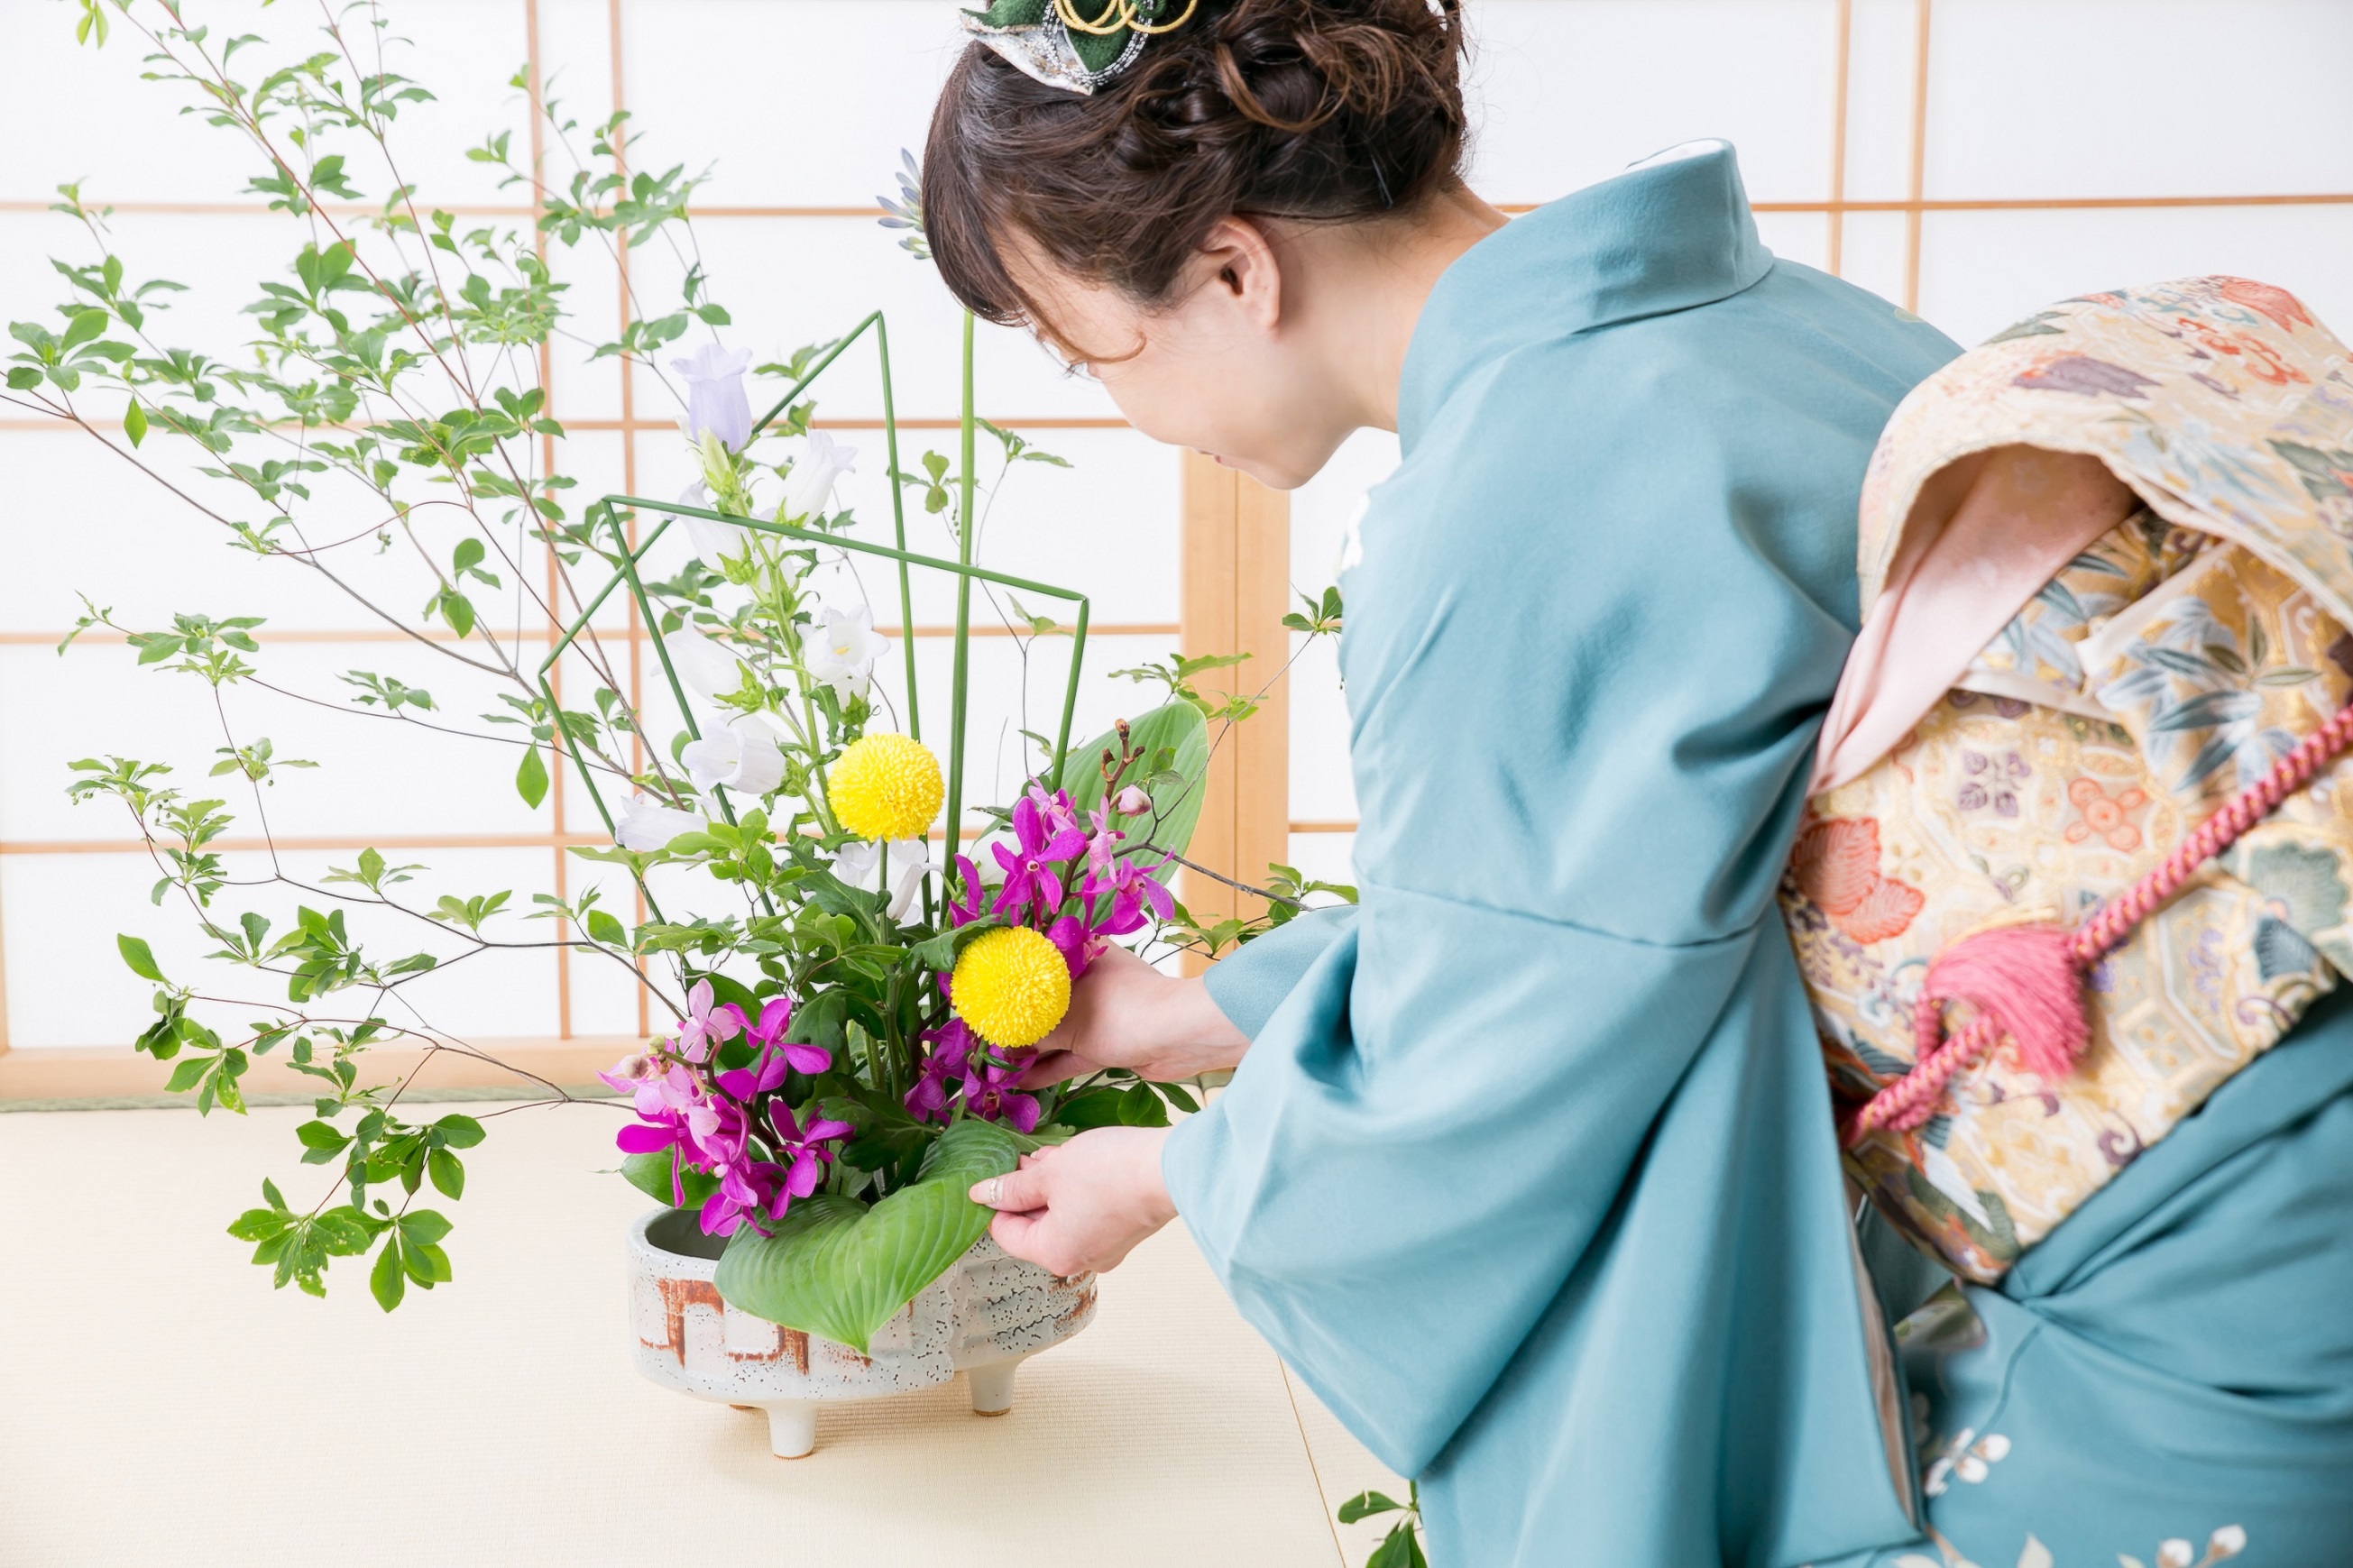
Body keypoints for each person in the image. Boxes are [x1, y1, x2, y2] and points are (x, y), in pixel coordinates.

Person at [927, 2, 1962, 1561]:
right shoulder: (1794, 320)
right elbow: (1597, 910)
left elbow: (1493, 1071)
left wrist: (1168, 1176)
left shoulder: (1501, 508)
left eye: (1091, 355)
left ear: (1229, 269)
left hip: (2111, 1309)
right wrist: (1191, 1016)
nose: (1127, 412)